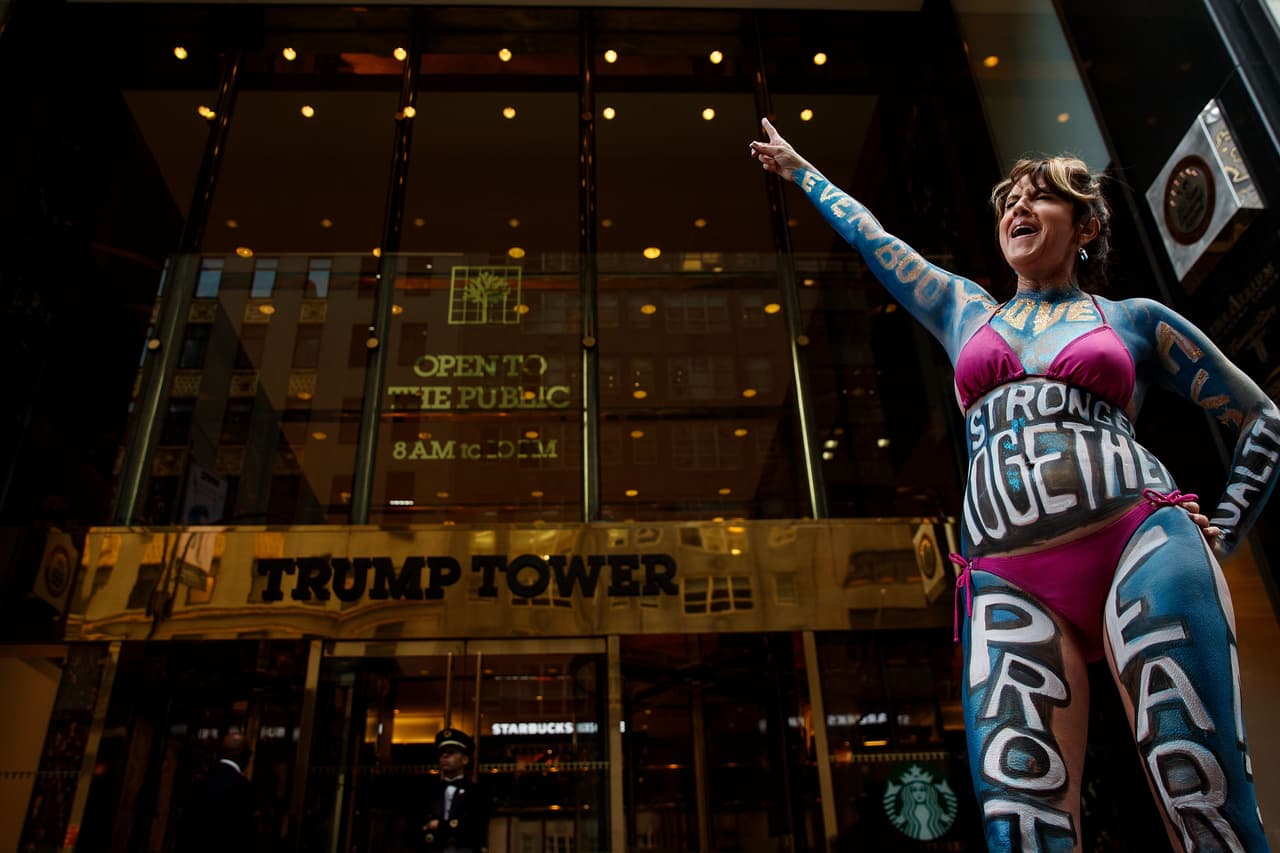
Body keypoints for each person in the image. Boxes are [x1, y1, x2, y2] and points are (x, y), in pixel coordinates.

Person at [750, 117, 1276, 852]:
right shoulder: (966, 310)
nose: (1017, 210)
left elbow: (1261, 416)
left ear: (1086, 223)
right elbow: (877, 242)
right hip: (1007, 580)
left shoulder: (1133, 321)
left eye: (1040, 198)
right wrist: (806, 174)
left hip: (1143, 546)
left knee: (1205, 801)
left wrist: (1229, 525)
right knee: (1021, 827)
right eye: (1008, 202)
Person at [409, 727, 491, 853]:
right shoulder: (428, 791)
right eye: (442, 753)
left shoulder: (476, 792)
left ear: (465, 759)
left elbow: (474, 826)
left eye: (451, 752)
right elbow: (415, 824)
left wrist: (440, 826)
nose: (444, 756)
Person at [175, 731, 256, 853]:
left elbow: (185, 826)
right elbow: (243, 834)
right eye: (249, 755)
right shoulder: (243, 787)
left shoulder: (201, 781)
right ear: (243, 755)